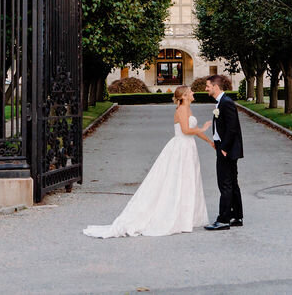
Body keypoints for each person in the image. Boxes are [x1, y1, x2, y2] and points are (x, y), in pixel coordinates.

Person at [83, 85, 213, 238]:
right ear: (184, 96)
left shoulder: (188, 109)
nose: (193, 93)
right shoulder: (182, 110)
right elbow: (186, 130)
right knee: (176, 180)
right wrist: (203, 129)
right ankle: (175, 216)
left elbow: (194, 129)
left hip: (189, 147)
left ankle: (185, 217)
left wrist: (209, 142)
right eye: (190, 91)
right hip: (181, 148)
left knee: (188, 180)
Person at [204, 74, 244, 230]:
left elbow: (232, 128)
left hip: (227, 150)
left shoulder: (226, 103)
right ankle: (236, 216)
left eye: (208, 86)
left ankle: (224, 219)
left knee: (225, 184)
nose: (206, 88)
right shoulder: (221, 102)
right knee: (232, 183)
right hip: (223, 147)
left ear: (216, 86)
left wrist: (224, 148)